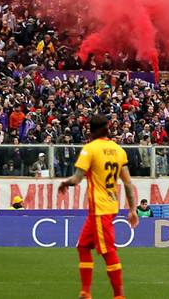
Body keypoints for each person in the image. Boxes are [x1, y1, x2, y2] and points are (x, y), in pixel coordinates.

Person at [57, 115, 140, 299]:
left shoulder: (90, 149)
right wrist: (132, 209)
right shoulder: (118, 150)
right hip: (109, 206)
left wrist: (64, 183)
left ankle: (119, 296)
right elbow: (128, 183)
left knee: (108, 251)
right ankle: (85, 292)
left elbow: (77, 179)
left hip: (100, 209)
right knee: (83, 246)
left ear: (91, 130)